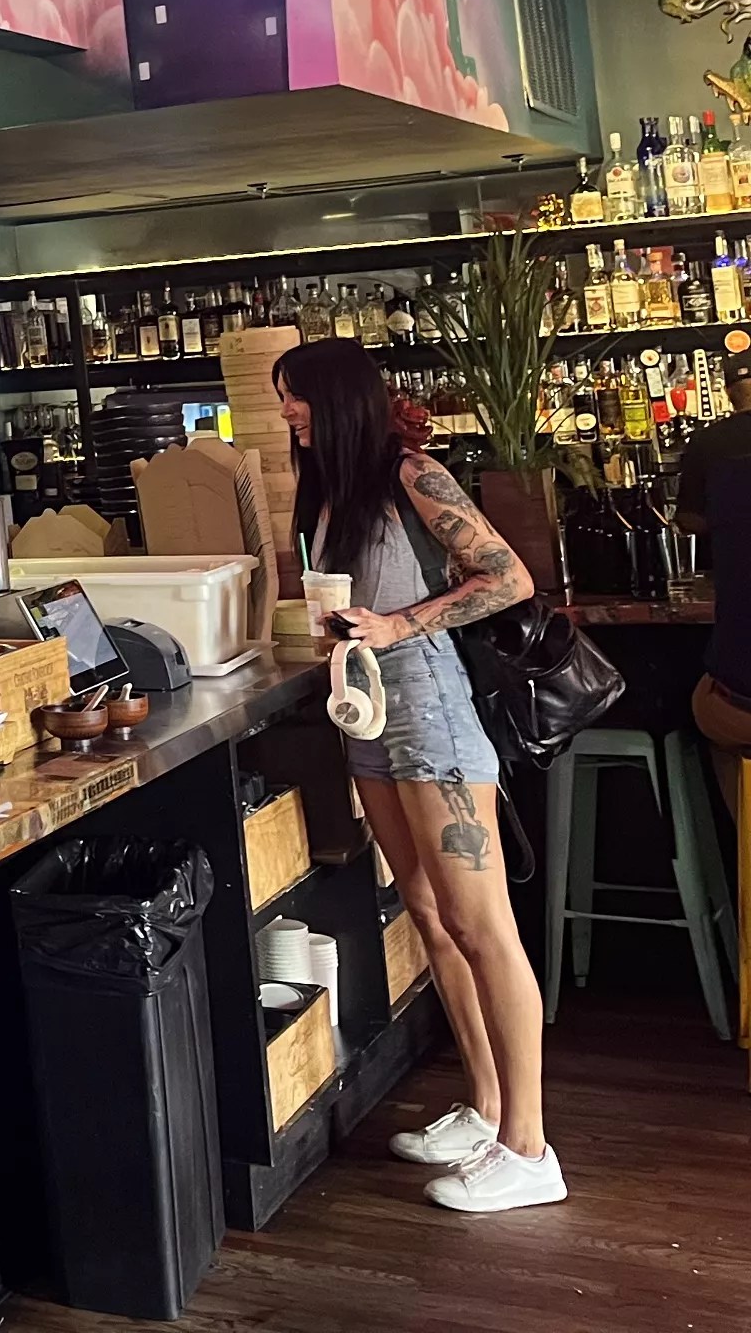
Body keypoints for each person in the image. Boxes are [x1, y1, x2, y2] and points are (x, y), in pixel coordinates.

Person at [275, 337, 558, 1212]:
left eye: (298, 400)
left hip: (429, 703)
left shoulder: (412, 473)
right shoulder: (328, 491)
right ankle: (486, 1107)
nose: (288, 414)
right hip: (366, 711)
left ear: (340, 400)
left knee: (484, 928)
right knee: (429, 916)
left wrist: (398, 626)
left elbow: (507, 576)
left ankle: (531, 1147)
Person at [669, 351, 751, 816]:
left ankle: (745, 866)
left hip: (741, 700)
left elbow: (688, 519)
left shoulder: (712, 449)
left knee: (716, 706)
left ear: (726, 393)